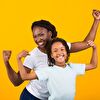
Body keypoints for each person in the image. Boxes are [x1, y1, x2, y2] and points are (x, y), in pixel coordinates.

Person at [3, 10, 100, 100]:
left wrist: (96, 20)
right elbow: (17, 81)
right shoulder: (33, 56)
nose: (38, 39)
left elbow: (87, 44)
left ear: (50, 33)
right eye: (35, 36)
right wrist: (7, 62)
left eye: (41, 34)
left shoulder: (60, 48)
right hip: (31, 97)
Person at [17, 38, 98, 100]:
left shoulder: (72, 68)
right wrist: (19, 59)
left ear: (67, 52)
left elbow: (93, 65)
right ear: (51, 55)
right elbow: (24, 77)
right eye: (55, 51)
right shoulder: (48, 71)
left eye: (62, 49)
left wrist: (94, 49)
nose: (59, 52)